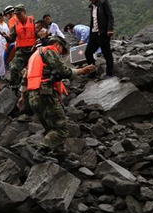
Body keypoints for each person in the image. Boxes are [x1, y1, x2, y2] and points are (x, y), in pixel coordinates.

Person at [18, 36, 96, 168]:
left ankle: (62, 158)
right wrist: (82, 71)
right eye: (62, 50)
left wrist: (22, 97)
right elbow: (63, 71)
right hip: (45, 94)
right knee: (61, 130)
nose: (60, 53)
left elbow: (25, 78)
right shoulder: (49, 51)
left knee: (51, 129)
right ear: (57, 44)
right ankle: (41, 151)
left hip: (33, 97)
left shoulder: (34, 56)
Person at [1, 4, 36, 91]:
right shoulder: (15, 26)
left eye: (19, 14)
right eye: (16, 14)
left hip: (33, 50)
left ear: (25, 12)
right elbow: (11, 39)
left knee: (37, 68)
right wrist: (6, 37)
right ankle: (15, 88)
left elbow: (40, 35)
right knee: (14, 68)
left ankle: (36, 86)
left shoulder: (34, 22)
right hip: (21, 51)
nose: (18, 16)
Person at [84, 0, 114, 78]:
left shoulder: (104, 2)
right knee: (88, 52)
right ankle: (92, 73)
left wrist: (110, 29)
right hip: (94, 34)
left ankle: (109, 73)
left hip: (103, 33)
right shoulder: (92, 6)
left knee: (107, 54)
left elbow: (110, 16)